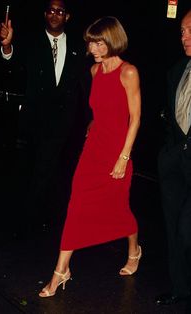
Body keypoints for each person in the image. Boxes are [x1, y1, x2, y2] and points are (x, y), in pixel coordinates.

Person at [38, 15, 142, 298]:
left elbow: (135, 118)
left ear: (112, 40)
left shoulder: (128, 72)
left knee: (119, 208)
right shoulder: (96, 71)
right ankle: (61, 271)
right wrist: (93, 124)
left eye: (98, 43)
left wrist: (123, 157)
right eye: (91, 43)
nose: (93, 49)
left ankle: (134, 250)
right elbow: (101, 110)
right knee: (76, 204)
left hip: (117, 152)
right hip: (93, 150)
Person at [0, 0, 91, 230]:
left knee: (50, 172)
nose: (55, 14)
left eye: (60, 11)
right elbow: (12, 64)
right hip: (33, 121)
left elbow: (85, 83)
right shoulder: (32, 41)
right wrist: (7, 45)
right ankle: (22, 221)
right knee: (27, 171)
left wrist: (91, 117)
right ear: (45, 14)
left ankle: (39, 220)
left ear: (67, 16)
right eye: (51, 10)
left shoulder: (79, 46)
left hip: (63, 124)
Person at [156, 8, 191, 306]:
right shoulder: (177, 70)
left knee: (186, 229)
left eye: (190, 30)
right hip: (173, 163)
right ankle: (180, 289)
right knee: (172, 228)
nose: (184, 37)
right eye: (181, 31)